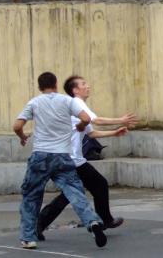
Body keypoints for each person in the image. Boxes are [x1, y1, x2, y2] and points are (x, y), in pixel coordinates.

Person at [13, 72, 107, 249]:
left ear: (40, 87)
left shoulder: (34, 102)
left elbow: (17, 125)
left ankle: (28, 237)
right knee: (75, 192)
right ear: (56, 85)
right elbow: (86, 119)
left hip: (41, 155)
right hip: (63, 156)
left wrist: (22, 136)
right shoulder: (67, 101)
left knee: (31, 196)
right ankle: (92, 222)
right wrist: (79, 126)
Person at [37, 75, 138, 240]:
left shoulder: (78, 107)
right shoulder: (76, 102)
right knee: (97, 185)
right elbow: (94, 120)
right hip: (70, 159)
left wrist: (114, 132)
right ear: (75, 90)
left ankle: (39, 224)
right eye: (84, 84)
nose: (88, 86)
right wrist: (120, 120)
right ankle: (105, 220)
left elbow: (90, 132)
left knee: (71, 193)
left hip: (72, 158)